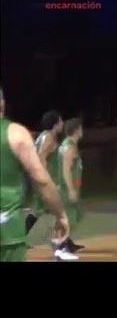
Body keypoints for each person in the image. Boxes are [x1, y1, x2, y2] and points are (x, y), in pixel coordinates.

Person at [0, 86, 70, 262]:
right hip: (7, 234)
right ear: (2, 102)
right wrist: (60, 214)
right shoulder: (15, 133)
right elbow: (41, 179)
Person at [25, 110, 64, 235]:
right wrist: (45, 180)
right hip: (45, 179)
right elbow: (41, 158)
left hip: (38, 178)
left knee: (37, 210)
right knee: (61, 209)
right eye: (60, 121)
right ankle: (62, 243)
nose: (62, 124)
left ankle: (18, 238)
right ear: (55, 124)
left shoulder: (43, 135)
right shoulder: (48, 137)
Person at [53, 117, 87, 259]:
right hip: (67, 189)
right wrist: (71, 189)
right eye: (80, 128)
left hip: (69, 187)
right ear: (76, 130)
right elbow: (66, 170)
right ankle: (61, 248)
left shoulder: (68, 145)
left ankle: (62, 244)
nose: (82, 130)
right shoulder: (69, 147)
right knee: (69, 220)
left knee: (68, 219)